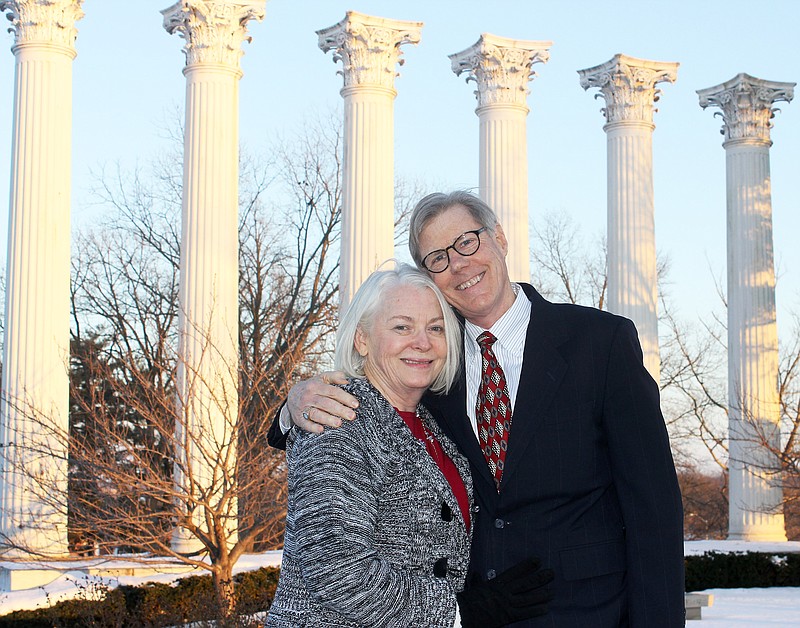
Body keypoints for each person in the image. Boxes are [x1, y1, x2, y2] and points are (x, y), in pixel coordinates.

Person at [270, 191, 685, 627]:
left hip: (587, 611)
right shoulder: (431, 371)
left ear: (500, 239)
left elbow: (652, 507)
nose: (459, 264)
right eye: (438, 257)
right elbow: (356, 424)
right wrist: (295, 403)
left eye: (467, 241)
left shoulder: (600, 342)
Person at [267, 263, 553, 627]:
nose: (422, 341)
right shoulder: (337, 416)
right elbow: (335, 567)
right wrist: (462, 612)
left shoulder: (436, 423)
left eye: (435, 328)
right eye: (402, 326)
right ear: (362, 339)